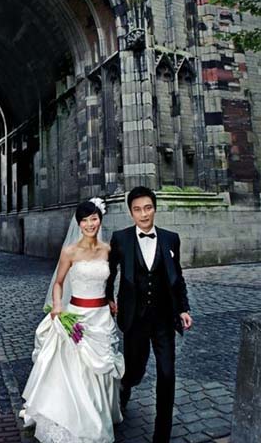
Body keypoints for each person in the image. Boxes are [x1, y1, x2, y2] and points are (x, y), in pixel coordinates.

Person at [21, 199, 124, 443]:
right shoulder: (69, 251)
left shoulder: (108, 250)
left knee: (100, 369)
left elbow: (108, 281)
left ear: (100, 219)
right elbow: (58, 283)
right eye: (85, 220)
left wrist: (110, 299)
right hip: (76, 317)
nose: (90, 224)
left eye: (94, 218)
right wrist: (58, 306)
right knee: (76, 372)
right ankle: (79, 418)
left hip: (101, 318)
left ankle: (100, 413)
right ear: (78, 224)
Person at [106, 186, 192, 443]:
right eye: (137, 209)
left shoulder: (170, 238)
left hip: (164, 319)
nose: (143, 214)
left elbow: (177, 278)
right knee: (135, 371)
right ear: (130, 212)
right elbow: (110, 273)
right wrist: (109, 298)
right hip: (135, 319)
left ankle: (161, 434)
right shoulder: (120, 239)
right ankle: (125, 387)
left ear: (155, 208)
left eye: (148, 208)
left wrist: (183, 308)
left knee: (167, 373)